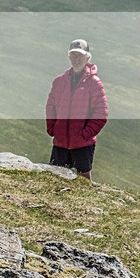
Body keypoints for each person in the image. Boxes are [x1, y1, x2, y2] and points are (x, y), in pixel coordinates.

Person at [45, 39, 108, 181]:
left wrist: (85, 134)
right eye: (73, 55)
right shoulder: (59, 81)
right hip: (60, 142)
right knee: (53, 181)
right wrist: (52, 127)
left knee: (83, 182)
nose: (77, 59)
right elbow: (51, 106)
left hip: (82, 144)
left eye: (80, 55)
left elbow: (101, 113)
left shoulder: (94, 83)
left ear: (87, 57)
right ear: (69, 57)